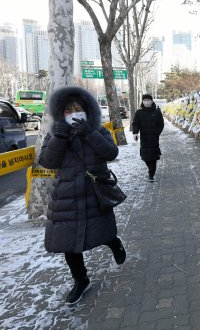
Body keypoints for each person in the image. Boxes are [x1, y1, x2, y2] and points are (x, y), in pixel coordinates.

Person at [39, 86, 126, 305]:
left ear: (87, 110)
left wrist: (89, 133)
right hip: (66, 197)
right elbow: (48, 162)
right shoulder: (55, 133)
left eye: (78, 109)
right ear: (61, 113)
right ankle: (80, 280)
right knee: (69, 243)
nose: (73, 113)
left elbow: (111, 152)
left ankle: (114, 243)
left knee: (102, 231)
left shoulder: (97, 130)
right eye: (68, 110)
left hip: (95, 193)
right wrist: (59, 136)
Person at [132, 94, 164, 182]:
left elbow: (161, 124)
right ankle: (150, 169)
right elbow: (135, 124)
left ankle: (151, 175)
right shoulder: (139, 112)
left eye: (148, 100)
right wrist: (135, 133)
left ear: (151, 101)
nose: (146, 102)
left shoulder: (157, 112)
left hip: (154, 138)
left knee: (153, 157)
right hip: (144, 138)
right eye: (144, 100)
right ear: (142, 101)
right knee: (145, 157)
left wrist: (156, 133)